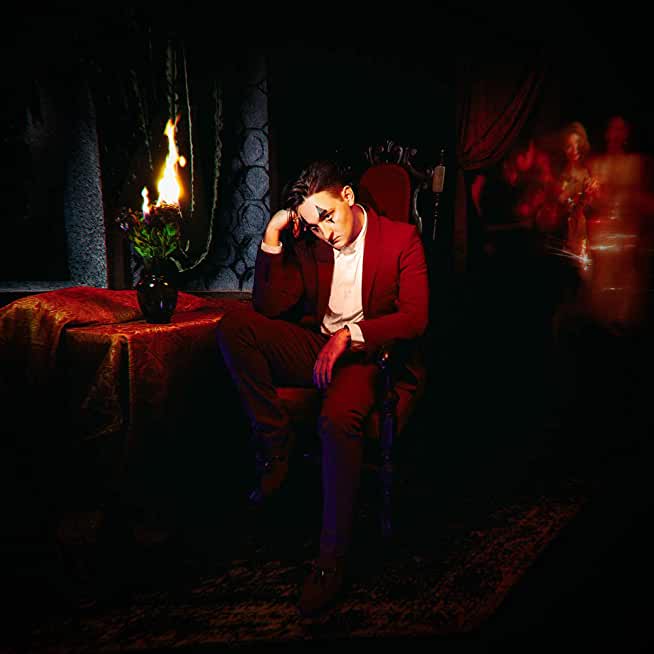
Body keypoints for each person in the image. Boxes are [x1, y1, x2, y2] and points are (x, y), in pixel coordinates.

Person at [215, 159, 429, 616]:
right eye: (314, 225)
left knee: (336, 420)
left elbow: (415, 318)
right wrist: (273, 236)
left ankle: (331, 562)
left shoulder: (401, 239)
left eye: (328, 217)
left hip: (367, 356)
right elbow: (269, 307)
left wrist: (350, 335)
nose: (325, 233)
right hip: (316, 344)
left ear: (347, 196)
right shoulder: (312, 241)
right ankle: (275, 443)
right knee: (234, 327)